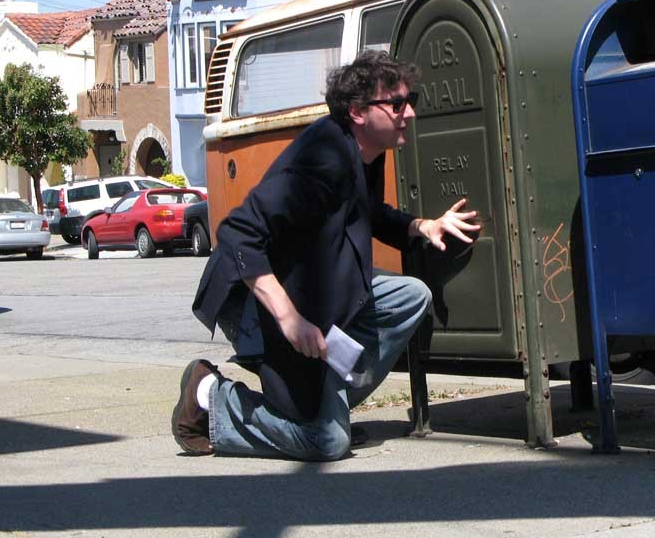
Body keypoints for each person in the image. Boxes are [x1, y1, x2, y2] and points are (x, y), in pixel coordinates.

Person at [174, 50, 481, 460]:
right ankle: (209, 396)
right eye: (396, 104)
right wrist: (289, 318)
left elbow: (367, 211)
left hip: (310, 291)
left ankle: (327, 409)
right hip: (253, 301)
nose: (409, 113)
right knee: (326, 442)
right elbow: (239, 233)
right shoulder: (321, 157)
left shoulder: (365, 151)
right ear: (357, 111)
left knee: (410, 297)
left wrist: (421, 226)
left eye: (411, 101)